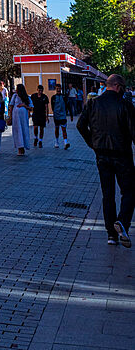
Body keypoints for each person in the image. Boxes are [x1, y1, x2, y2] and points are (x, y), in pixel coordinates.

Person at [77, 73, 135, 247]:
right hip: (121, 154)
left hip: (101, 154)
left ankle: (111, 234)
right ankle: (122, 222)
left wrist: (92, 143)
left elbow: (81, 125)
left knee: (107, 194)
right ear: (117, 86)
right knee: (129, 191)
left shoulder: (93, 104)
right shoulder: (125, 105)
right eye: (123, 88)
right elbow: (134, 131)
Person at [10, 84, 32, 155]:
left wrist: (24, 105)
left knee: (23, 130)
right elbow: (11, 106)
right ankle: (20, 148)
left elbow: (31, 107)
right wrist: (10, 116)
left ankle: (23, 147)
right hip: (16, 117)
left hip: (23, 117)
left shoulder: (27, 97)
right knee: (17, 131)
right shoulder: (15, 96)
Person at [51, 83, 70, 149]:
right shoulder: (53, 97)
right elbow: (52, 106)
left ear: (61, 89)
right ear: (55, 89)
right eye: (57, 89)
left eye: (59, 88)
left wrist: (71, 114)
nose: (58, 90)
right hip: (56, 116)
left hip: (63, 115)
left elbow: (67, 105)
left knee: (64, 129)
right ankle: (56, 142)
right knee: (57, 129)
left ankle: (66, 142)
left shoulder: (64, 97)